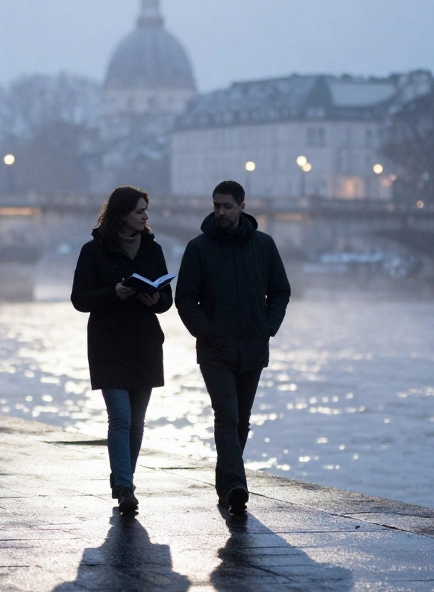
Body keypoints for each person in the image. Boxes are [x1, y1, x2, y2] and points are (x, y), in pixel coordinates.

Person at [175, 180, 291, 514]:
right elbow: (185, 298)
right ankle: (238, 484)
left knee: (241, 421)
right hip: (215, 350)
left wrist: (268, 326)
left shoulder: (264, 246)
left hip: (253, 347)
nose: (220, 212)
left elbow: (281, 290)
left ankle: (226, 481)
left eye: (227, 206)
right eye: (216, 206)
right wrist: (206, 332)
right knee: (226, 415)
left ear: (241, 206)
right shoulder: (199, 248)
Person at [71, 186, 173, 517]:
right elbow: (80, 299)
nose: (146, 216)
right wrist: (114, 292)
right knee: (121, 417)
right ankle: (125, 488)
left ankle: (123, 477)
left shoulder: (153, 250)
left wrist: (155, 299)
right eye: (140, 211)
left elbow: (167, 299)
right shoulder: (93, 251)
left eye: (146, 210)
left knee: (137, 422)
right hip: (108, 344)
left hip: (144, 342)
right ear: (122, 214)